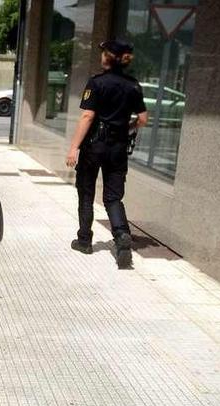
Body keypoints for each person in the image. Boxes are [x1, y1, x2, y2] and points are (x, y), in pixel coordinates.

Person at [65, 40, 148, 269]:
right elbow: (142, 120)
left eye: (103, 52)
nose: (101, 55)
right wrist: (125, 128)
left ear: (108, 57)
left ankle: (84, 241)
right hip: (118, 147)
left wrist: (74, 147)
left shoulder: (97, 82)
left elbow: (87, 117)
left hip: (94, 145)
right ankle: (122, 237)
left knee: (86, 192)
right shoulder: (133, 86)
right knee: (113, 197)